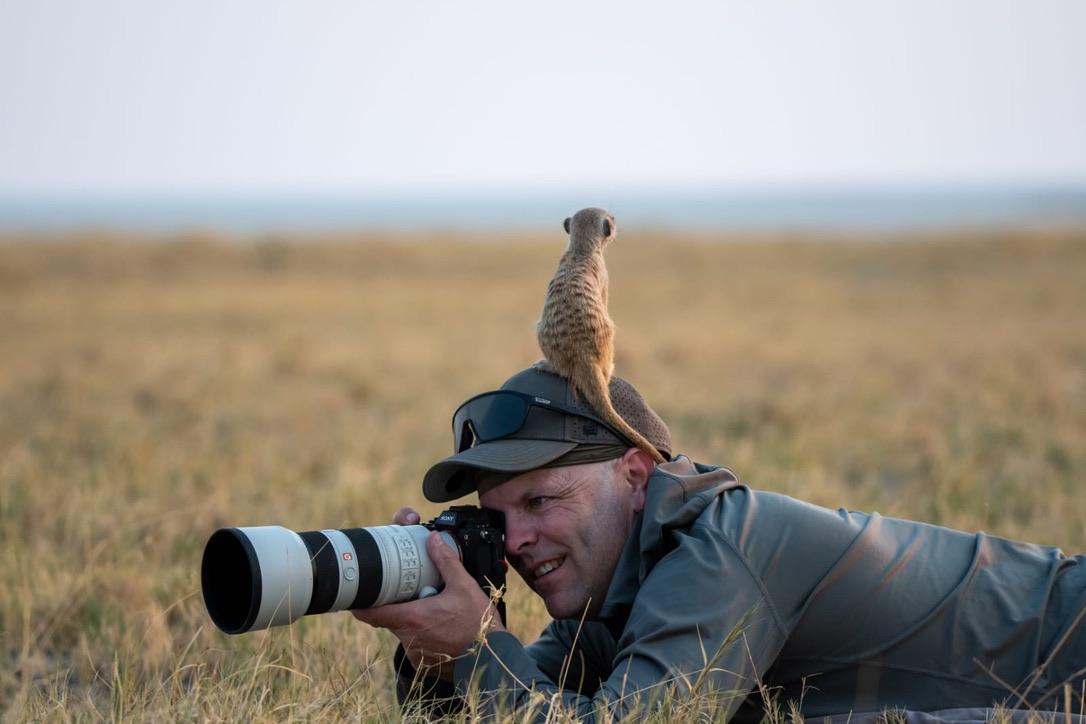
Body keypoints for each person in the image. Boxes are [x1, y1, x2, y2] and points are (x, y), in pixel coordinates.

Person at [352, 366, 1086, 723]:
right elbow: (528, 705)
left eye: (541, 501)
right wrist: (436, 657)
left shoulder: (721, 551)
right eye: (499, 516)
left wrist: (479, 651)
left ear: (634, 475)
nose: (515, 540)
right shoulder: (617, 599)